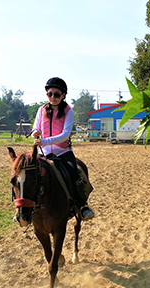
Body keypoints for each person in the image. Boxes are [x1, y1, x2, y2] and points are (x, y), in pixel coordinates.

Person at [32, 77, 94, 220]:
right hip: (44, 153)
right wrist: (35, 132)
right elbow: (36, 126)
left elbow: (65, 135)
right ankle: (26, 209)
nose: (53, 97)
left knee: (74, 174)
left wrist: (45, 141)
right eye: (50, 94)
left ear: (63, 95)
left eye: (57, 94)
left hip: (63, 152)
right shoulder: (41, 110)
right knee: (29, 176)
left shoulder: (68, 111)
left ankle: (82, 205)